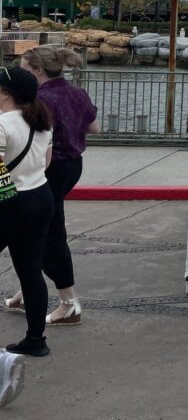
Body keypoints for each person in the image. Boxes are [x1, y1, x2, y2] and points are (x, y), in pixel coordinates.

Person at [6, 47, 98, 326]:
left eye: (23, 69)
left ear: (37, 70)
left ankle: (69, 302)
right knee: (36, 230)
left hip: (47, 167)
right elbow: (94, 128)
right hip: (72, 164)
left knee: (49, 234)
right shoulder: (77, 93)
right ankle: (28, 289)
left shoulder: (40, 99)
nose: (20, 74)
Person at [0, 66, 55, 356]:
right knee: (31, 271)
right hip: (40, 196)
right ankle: (36, 340)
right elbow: (46, 162)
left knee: (29, 269)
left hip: (11, 201)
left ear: (5, 93)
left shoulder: (3, 123)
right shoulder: (42, 120)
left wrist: (8, 202)